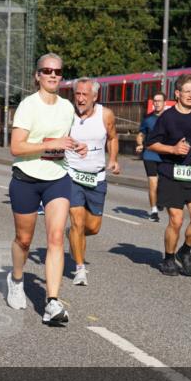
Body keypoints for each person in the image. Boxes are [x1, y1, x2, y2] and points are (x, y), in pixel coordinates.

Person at [6, 53, 85, 325]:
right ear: (37, 75)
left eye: (58, 71)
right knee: (24, 240)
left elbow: (62, 139)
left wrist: (76, 145)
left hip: (57, 177)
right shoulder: (28, 106)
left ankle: (52, 301)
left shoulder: (66, 107)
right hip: (26, 177)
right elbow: (16, 147)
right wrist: (50, 146)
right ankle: (16, 279)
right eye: (47, 71)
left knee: (55, 239)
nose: (53, 75)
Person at [145, 74, 191, 277]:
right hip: (170, 173)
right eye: (187, 91)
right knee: (176, 220)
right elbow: (151, 143)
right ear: (177, 93)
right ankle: (168, 258)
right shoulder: (167, 117)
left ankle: (185, 251)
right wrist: (173, 149)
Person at [64, 80, 120, 286]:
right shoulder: (67, 115)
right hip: (72, 175)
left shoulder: (105, 115)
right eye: (77, 94)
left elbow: (112, 138)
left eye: (84, 95)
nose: (80, 98)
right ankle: (79, 269)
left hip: (96, 177)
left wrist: (113, 159)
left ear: (95, 96)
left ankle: (73, 236)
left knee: (93, 227)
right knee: (77, 221)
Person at [136, 92, 167, 222]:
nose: (157, 103)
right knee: (152, 183)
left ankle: (161, 199)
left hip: (166, 154)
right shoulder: (147, 119)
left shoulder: (169, 118)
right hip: (150, 154)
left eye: (159, 101)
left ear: (164, 103)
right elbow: (141, 134)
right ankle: (154, 210)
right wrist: (139, 144)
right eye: (155, 101)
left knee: (164, 183)